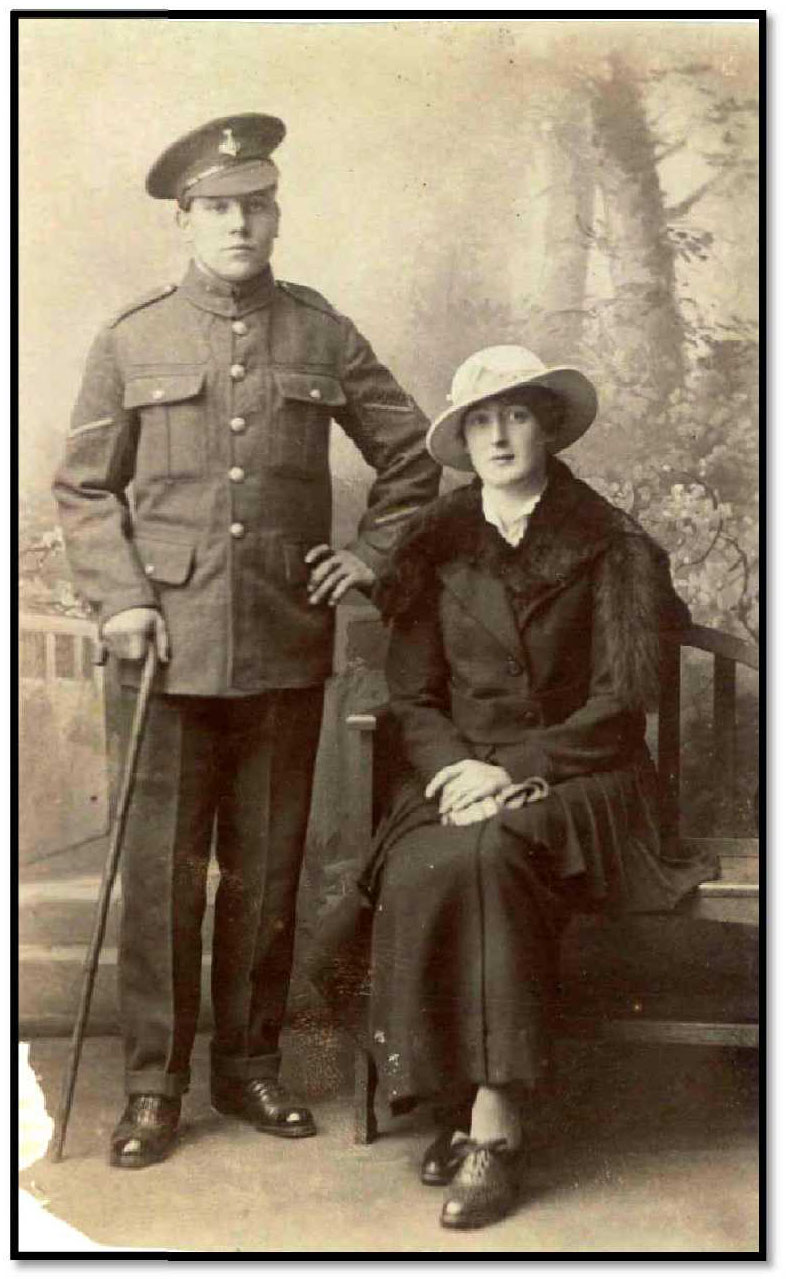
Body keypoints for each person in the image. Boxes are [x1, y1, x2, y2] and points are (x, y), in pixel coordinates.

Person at [52, 113, 439, 1169]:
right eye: (218, 208)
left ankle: (250, 1064)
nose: (238, 223)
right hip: (162, 647)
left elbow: (411, 457)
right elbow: (84, 487)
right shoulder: (132, 336)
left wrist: (368, 557)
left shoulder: (323, 334)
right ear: (186, 221)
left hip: (280, 637)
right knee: (168, 873)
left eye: (254, 205)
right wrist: (121, 597)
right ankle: (154, 1084)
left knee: (268, 869)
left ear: (275, 215)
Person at [309, 345, 716, 1230]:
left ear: (549, 426)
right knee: (438, 855)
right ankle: (451, 1098)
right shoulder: (437, 541)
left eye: (517, 415)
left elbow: (621, 703)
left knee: (489, 852)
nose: (499, 435)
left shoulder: (610, 543)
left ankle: (492, 1126)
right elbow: (412, 694)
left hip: (583, 776)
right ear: (462, 440)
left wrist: (515, 771)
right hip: (456, 774)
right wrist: (459, 768)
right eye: (480, 421)